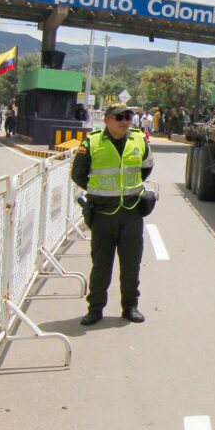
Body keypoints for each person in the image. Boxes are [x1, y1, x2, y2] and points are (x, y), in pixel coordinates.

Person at [71, 104, 154, 326]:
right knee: (101, 264)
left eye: (128, 116)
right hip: (103, 213)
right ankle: (95, 308)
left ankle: (130, 307)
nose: (125, 121)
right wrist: (101, 193)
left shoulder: (139, 140)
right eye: (119, 117)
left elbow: (146, 168)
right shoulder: (93, 141)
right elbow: (78, 174)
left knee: (131, 263)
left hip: (131, 212)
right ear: (107, 120)